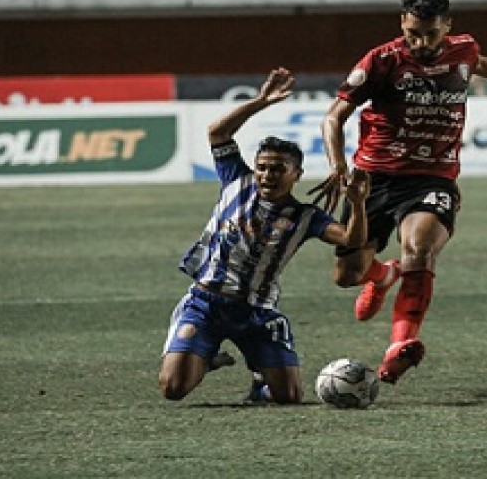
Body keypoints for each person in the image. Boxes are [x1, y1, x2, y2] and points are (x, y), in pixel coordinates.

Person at [311, 0, 487, 384]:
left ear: (447, 27)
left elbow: (478, 64)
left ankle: (398, 347)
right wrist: (338, 166)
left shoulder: (463, 49)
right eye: (414, 33)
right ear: (403, 23)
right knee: (348, 275)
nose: (421, 42)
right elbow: (334, 117)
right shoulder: (381, 61)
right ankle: (382, 275)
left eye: (431, 34)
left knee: (419, 250)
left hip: (431, 177)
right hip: (373, 179)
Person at [159, 67, 371, 404]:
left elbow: (351, 240)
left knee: (287, 397)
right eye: (262, 166)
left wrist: (358, 204)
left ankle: (260, 376)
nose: (267, 175)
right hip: (205, 304)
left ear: (296, 174)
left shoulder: (306, 216)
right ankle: (206, 354)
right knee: (173, 389)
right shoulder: (235, 181)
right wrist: (260, 101)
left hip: (256, 312)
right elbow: (217, 132)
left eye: (277, 169)